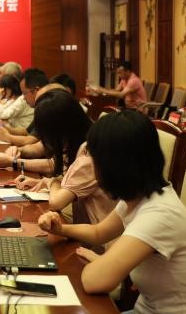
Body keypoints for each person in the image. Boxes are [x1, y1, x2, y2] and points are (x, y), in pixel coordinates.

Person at [38, 111, 186, 314]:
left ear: (113, 166)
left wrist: (102, 262)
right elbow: (99, 232)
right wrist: (61, 229)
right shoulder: (141, 196)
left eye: (93, 158)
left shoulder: (159, 215)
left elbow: (93, 281)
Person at [13, 89, 115, 227]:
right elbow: (73, 179)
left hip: (95, 232)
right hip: (88, 225)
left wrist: (53, 181)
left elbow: (56, 203)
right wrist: (45, 181)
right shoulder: (86, 141)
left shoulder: (89, 153)